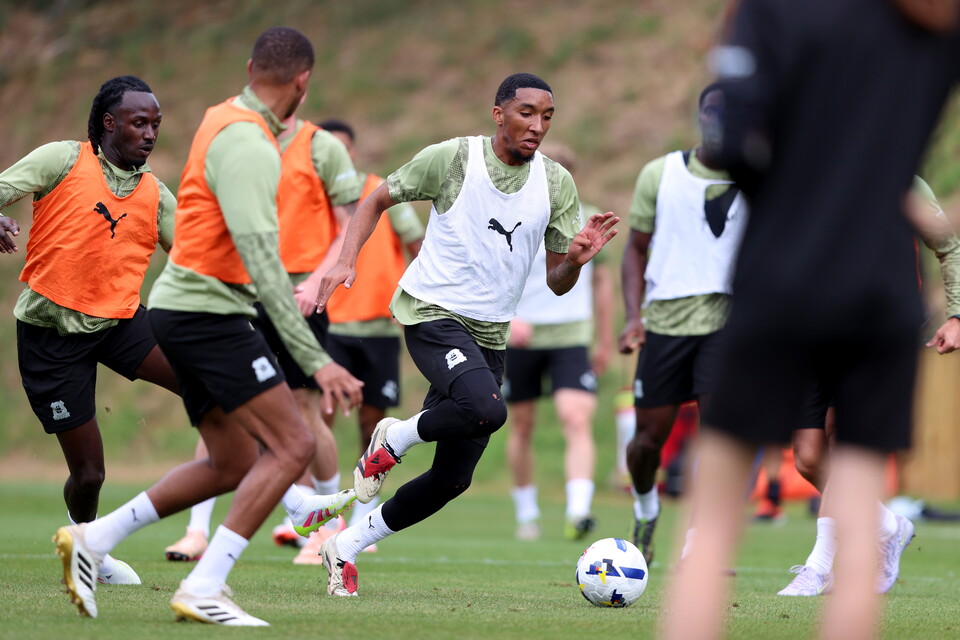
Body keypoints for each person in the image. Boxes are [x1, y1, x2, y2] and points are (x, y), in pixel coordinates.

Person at [660, 2, 960, 639]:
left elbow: (731, 142)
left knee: (715, 511)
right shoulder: (932, 19)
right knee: (839, 481)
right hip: (881, 290)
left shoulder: (773, 11)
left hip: (782, 273)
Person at [53, 27, 361, 626]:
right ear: (303, 82)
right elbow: (262, 259)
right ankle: (205, 585)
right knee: (293, 443)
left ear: (250, 69)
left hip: (183, 308)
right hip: (207, 314)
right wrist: (317, 360)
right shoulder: (251, 145)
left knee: (232, 460)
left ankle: (93, 539)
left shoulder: (220, 116)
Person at [313, 72, 619, 597]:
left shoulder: (557, 183)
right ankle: (395, 438)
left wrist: (573, 261)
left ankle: (344, 546)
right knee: (488, 409)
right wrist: (345, 260)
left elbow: (557, 282)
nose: (537, 126)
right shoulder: (453, 158)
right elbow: (374, 201)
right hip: (432, 313)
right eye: (526, 113)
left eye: (547, 116)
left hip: (490, 335)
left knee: (453, 479)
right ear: (498, 114)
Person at [162, 106, 365, 565]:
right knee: (221, 408)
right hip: (245, 292)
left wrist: (318, 279)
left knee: (306, 412)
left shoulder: (320, 148)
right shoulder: (244, 141)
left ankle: (327, 531)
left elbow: (349, 225)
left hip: (301, 295)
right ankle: (196, 532)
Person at [0, 75, 178, 587]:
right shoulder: (62, 159)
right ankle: (88, 548)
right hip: (50, 334)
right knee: (90, 475)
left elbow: (198, 262)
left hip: (120, 321)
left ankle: (283, 499)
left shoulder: (155, 194)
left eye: (156, 125)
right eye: (139, 123)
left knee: (212, 383)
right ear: (109, 123)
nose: (150, 134)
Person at [777, 175, 960, 597]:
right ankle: (888, 526)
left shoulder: (902, 178)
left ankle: (819, 568)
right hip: (813, 329)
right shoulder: (807, 173)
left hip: (876, 329)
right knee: (808, 457)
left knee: (844, 445)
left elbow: (948, 245)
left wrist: (956, 315)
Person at [618, 84, 747, 565]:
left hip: (727, 321)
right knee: (647, 442)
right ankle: (646, 509)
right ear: (700, 117)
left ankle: (701, 540)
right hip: (666, 323)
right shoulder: (661, 173)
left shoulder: (762, 176)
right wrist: (634, 317)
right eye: (714, 111)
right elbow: (635, 250)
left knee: (718, 438)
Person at [315, 118, 425, 555]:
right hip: (326, 325)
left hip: (377, 329)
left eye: (343, 148)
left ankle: (364, 519)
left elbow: (418, 245)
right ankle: (320, 518)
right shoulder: (309, 196)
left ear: (354, 152)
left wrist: (414, 295)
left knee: (371, 424)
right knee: (317, 418)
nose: (337, 156)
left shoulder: (382, 192)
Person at [502, 142, 614, 542]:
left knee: (575, 416)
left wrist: (604, 339)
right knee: (522, 425)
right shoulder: (511, 214)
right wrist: (508, 319)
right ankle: (527, 514)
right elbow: (493, 271)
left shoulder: (590, 218)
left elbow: (602, 283)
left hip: (571, 334)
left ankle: (578, 511)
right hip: (521, 336)